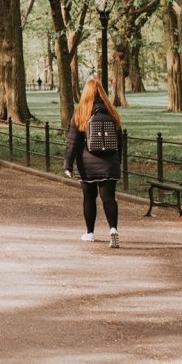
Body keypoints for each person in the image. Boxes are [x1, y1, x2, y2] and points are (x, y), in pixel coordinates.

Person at [63, 78, 124, 247]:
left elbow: (73, 142)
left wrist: (68, 164)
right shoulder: (112, 112)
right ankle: (113, 229)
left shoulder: (81, 113)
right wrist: (118, 161)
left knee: (89, 198)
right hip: (109, 163)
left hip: (86, 163)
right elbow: (120, 142)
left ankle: (90, 233)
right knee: (109, 198)